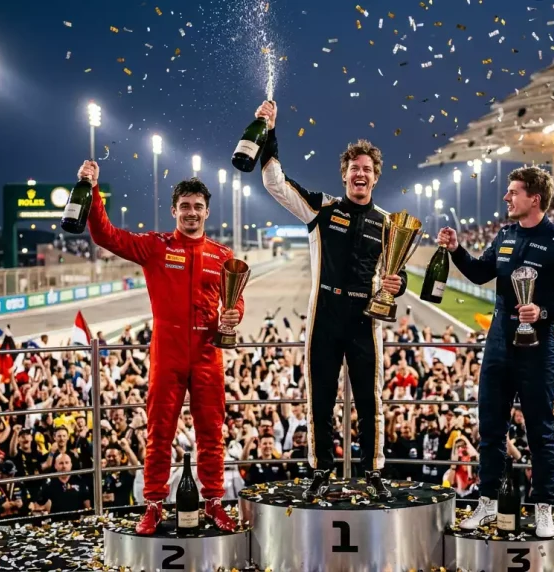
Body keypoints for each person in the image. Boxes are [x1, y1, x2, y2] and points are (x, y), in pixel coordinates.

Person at [80, 160, 244, 534]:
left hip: (207, 355)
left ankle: (214, 503)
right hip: (167, 355)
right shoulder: (155, 247)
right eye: (184, 206)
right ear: (174, 211)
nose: (191, 212)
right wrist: (91, 190)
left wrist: (233, 313)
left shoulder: (221, 256)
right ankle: (153, 506)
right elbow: (105, 235)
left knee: (211, 434)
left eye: (197, 206)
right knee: (159, 434)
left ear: (207, 211)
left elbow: (236, 300)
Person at [254, 100, 405, 502]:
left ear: (375, 178)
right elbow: (275, 182)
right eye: (354, 168)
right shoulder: (322, 207)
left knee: (370, 400)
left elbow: (399, 276)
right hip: (323, 314)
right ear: (344, 175)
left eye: (367, 170)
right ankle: (320, 470)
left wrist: (396, 283)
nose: (360, 174)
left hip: (363, 320)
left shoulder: (388, 223)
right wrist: (269, 130)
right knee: (319, 397)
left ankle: (373, 472)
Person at [437, 166, 554, 538]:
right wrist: (457, 250)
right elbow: (477, 273)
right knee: (490, 427)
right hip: (498, 342)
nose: (506, 198)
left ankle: (544, 510)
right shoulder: (504, 235)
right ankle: (486, 503)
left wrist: (545, 312)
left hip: (537, 347)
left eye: (513, 192)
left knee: (540, 431)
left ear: (534, 198)